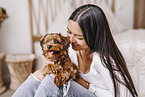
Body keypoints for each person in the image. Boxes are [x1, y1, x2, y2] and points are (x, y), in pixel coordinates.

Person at [12, 4, 138, 97]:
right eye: (68, 32)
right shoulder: (71, 52)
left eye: (78, 37)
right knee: (37, 77)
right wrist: (41, 74)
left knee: (54, 82)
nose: (71, 39)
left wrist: (87, 86)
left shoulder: (103, 60)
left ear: (93, 36)